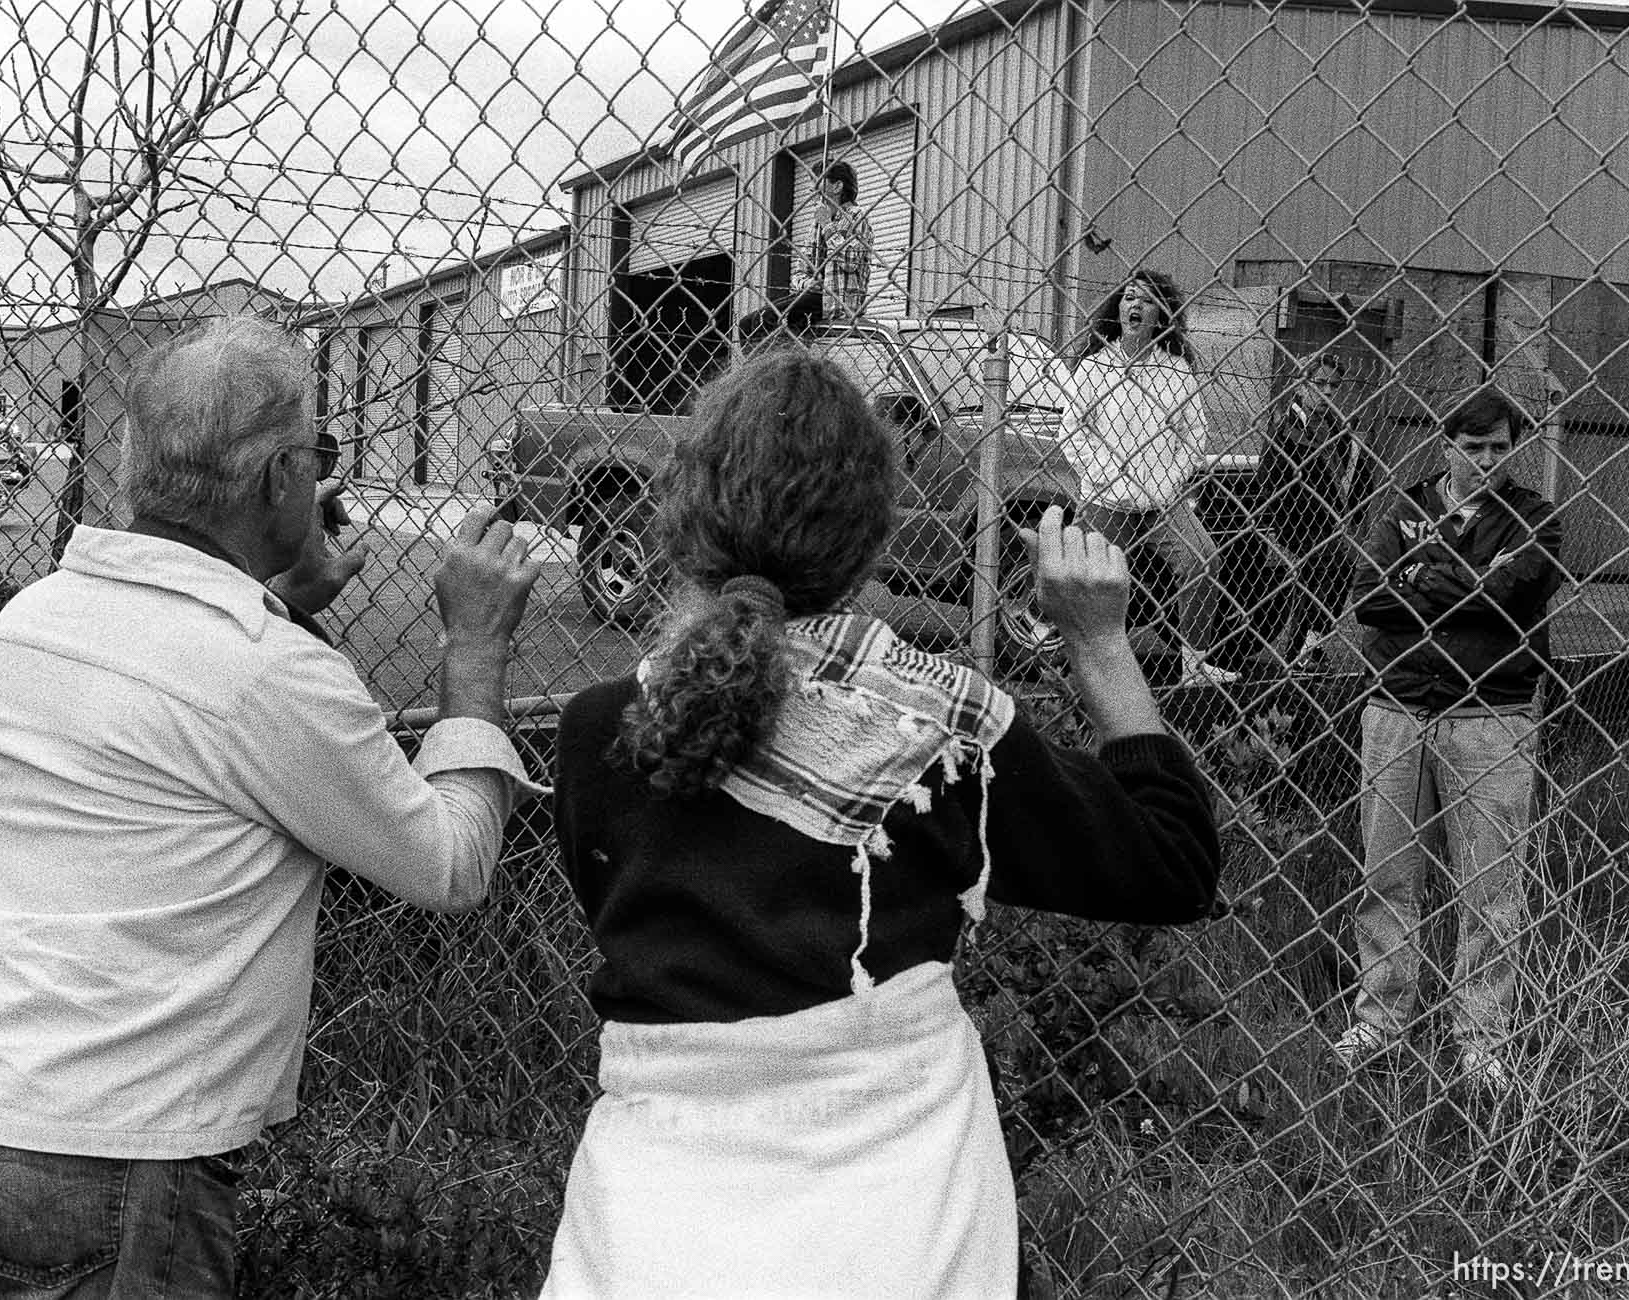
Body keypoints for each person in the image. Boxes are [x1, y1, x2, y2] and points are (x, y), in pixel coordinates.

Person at [0, 316, 545, 1297]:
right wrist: (474, 646)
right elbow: (449, 866)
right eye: (314, 456)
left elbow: (213, 738)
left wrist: (276, 591)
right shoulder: (263, 674)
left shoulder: (27, 624)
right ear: (281, 478)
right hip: (108, 1170)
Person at [539, 349, 1220, 1297]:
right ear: (870, 541)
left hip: (653, 1214)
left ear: (683, 522)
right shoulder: (947, 734)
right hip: (906, 1214)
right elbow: (1175, 862)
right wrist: (1100, 643)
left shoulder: (594, 734)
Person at [1337, 387, 1564, 1094]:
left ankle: (1482, 1037)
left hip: (1490, 717)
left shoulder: (1536, 518)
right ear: (1447, 445)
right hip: (1398, 707)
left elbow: (1514, 595)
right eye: (1474, 447)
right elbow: (1368, 597)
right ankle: (1380, 1017)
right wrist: (1472, 580)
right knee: (1388, 873)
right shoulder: (1404, 508)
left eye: (1501, 447)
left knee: (1489, 885)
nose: (1488, 461)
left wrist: (1425, 575)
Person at [1061, 268, 1241, 687]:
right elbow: (1072, 429)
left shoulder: (1177, 371)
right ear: (1118, 309)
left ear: (1162, 314)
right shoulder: (1094, 368)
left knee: (1202, 559)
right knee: (1094, 580)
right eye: (1127, 297)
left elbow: (1194, 435)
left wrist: (1167, 481)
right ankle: (1083, 663)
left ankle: (1194, 666)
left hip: (1160, 501)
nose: (1134, 305)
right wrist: (1105, 474)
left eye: (1145, 299)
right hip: (1107, 497)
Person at [1243, 350, 1376, 666]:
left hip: (1330, 520)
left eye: (1333, 386)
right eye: (1320, 383)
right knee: (1325, 565)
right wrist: (1276, 519)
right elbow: (1268, 477)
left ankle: (1312, 643)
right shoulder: (1283, 423)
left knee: (1338, 569)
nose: (1327, 392)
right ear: (1302, 384)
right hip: (1292, 520)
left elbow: (1359, 471)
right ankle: (1299, 650)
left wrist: (1355, 508)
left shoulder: (1337, 426)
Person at [794, 158, 875, 319]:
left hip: (838, 301)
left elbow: (850, 261)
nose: (812, 189)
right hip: (815, 296)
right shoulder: (816, 224)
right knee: (752, 322)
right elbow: (799, 272)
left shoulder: (856, 217)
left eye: (818, 182)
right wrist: (807, 283)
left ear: (837, 186)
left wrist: (827, 225)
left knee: (770, 319)